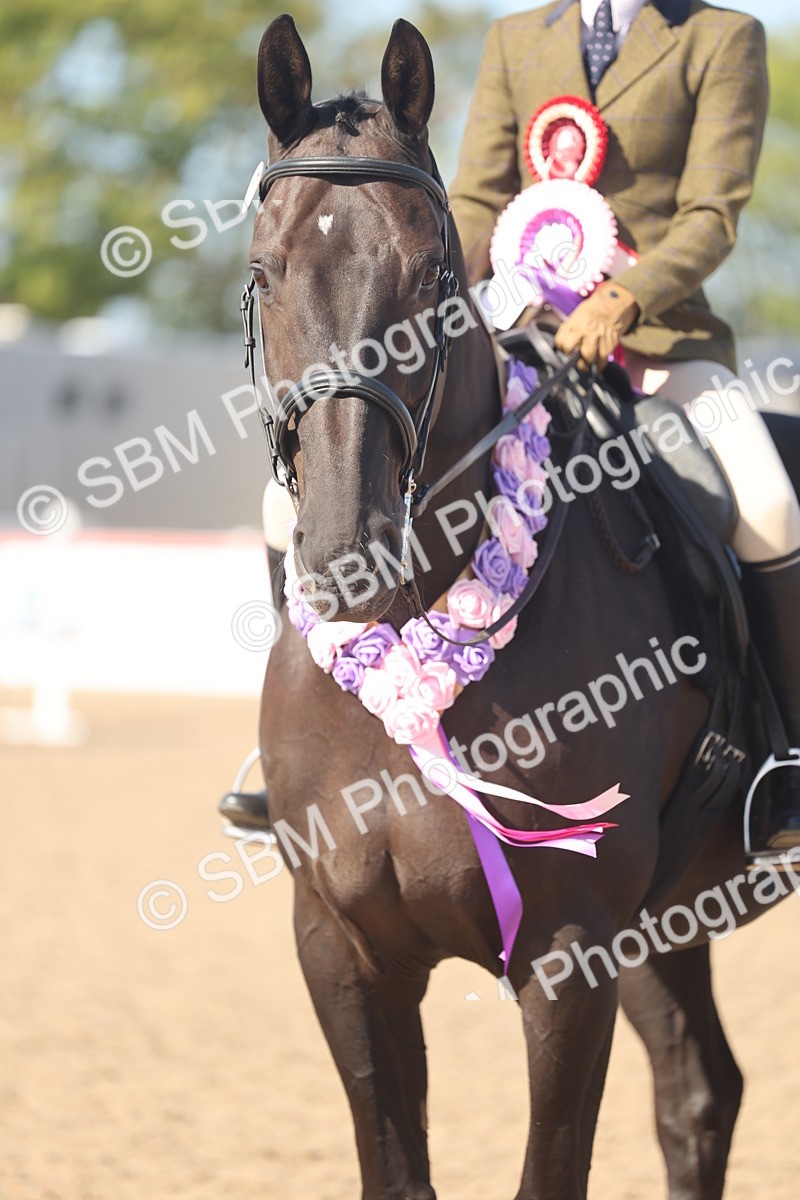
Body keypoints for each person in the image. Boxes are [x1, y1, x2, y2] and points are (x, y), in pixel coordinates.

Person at [450, 0, 800, 854]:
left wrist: (624, 297)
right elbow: (477, 198)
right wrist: (441, 311)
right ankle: (304, 749)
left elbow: (712, 213)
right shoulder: (515, 38)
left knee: (769, 507)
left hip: (660, 340)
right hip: (516, 331)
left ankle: (786, 759)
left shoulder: (720, 37)